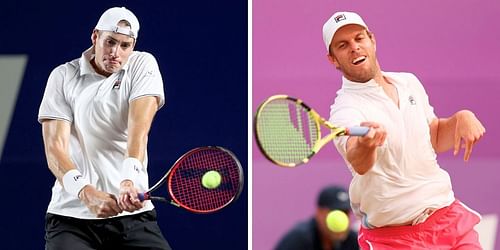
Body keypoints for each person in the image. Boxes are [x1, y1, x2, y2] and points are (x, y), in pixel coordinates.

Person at [322, 11, 486, 249]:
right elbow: (358, 160)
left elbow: (435, 137)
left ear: (372, 39)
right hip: (395, 239)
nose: (355, 48)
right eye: (343, 45)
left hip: (446, 219)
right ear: (333, 59)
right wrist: (367, 144)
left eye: (359, 38)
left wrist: (461, 118)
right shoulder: (344, 110)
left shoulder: (409, 82)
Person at [38, 7, 171, 249]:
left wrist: (129, 180)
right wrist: (85, 192)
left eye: (124, 45)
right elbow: (54, 150)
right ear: (95, 37)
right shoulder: (63, 76)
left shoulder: (143, 64)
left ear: (133, 46)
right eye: (110, 42)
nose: (115, 53)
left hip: (133, 219)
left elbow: (138, 130)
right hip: (71, 219)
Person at [275, 185, 359, 250]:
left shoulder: (353, 241)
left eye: (345, 212)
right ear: (319, 213)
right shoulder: (299, 240)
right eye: (336, 212)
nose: (341, 219)